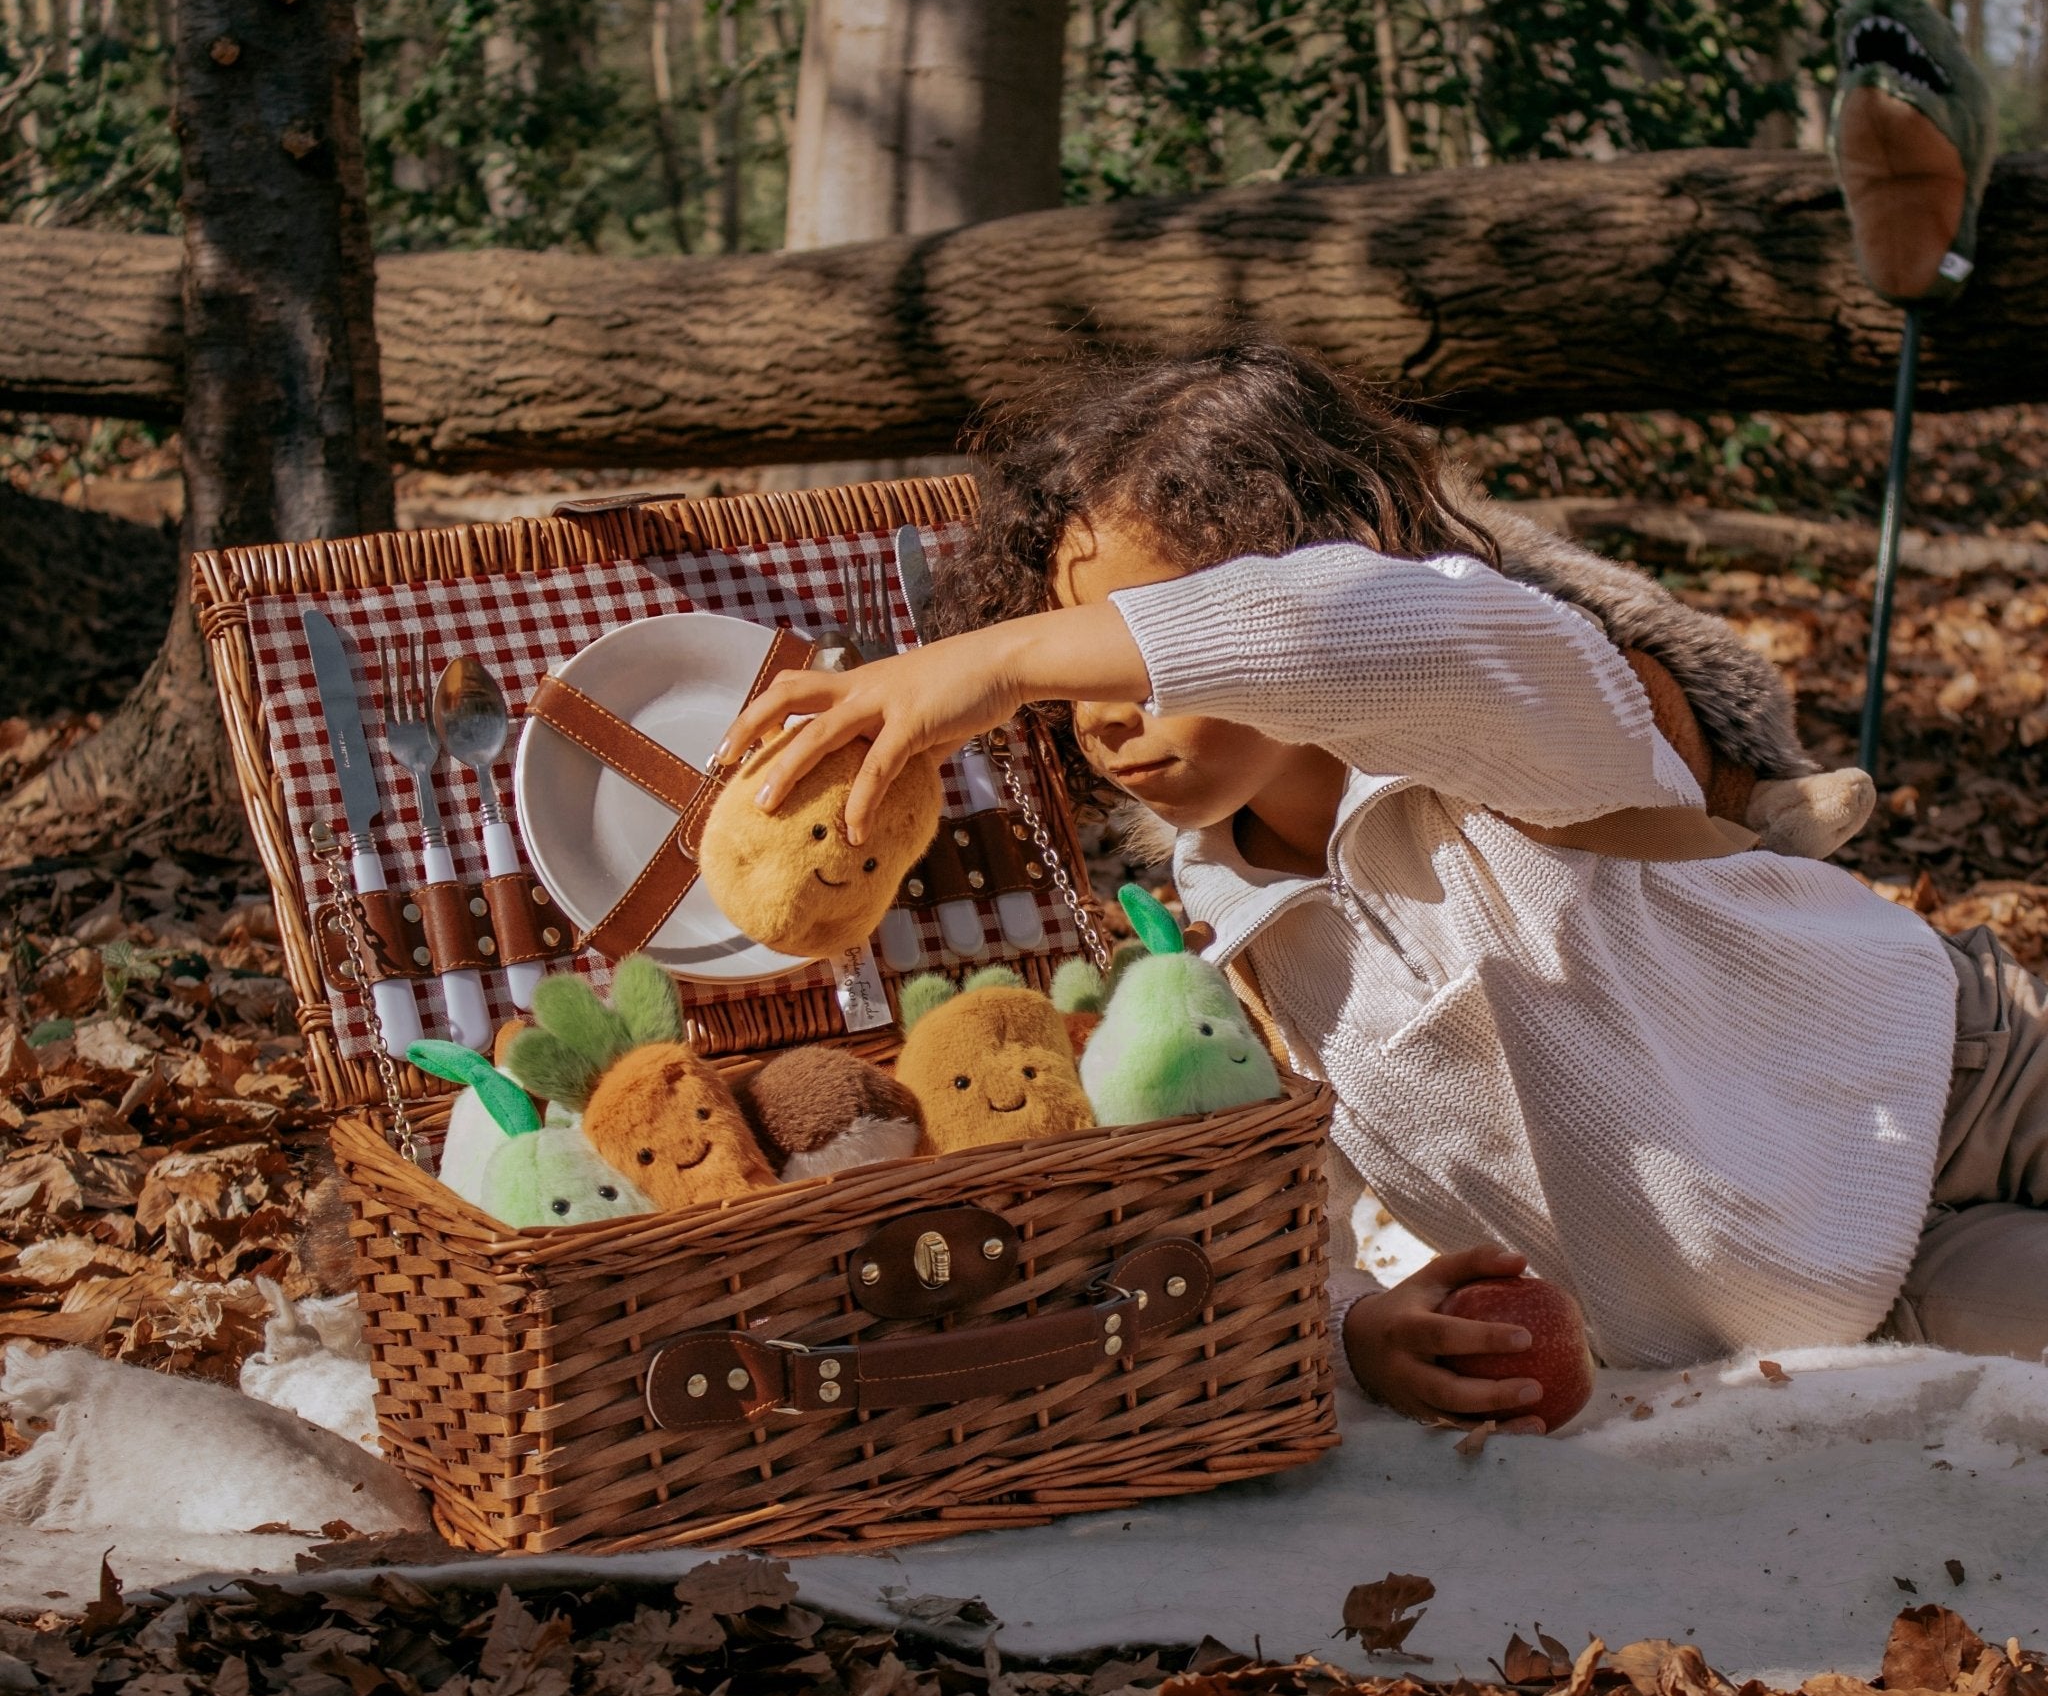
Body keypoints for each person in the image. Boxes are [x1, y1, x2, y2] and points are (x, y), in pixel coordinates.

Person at [717, 339, 2048, 1427]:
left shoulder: (1512, 726)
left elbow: (1382, 627)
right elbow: (1277, 1192)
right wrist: (1356, 1319)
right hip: (1849, 1292)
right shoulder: (1218, 940)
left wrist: (1000, 660)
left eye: (1122, 654)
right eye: (1070, 677)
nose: (1104, 711)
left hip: (1968, 1085)